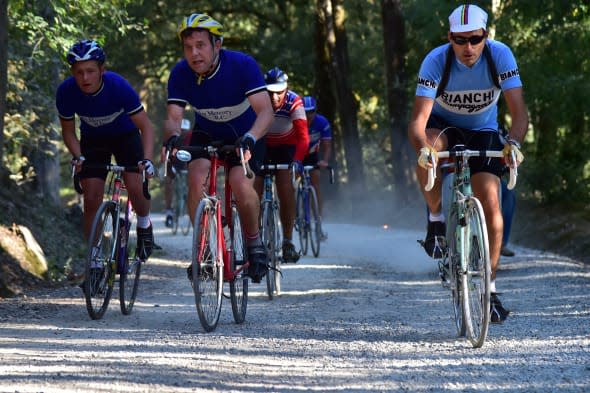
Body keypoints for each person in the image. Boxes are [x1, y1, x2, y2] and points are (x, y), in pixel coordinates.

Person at [407, 4, 528, 323]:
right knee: (429, 149)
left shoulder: (500, 56)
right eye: (460, 40)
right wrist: (424, 150)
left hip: (484, 131)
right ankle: (435, 219)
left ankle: (489, 290)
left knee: (492, 204)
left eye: (475, 39)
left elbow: (519, 113)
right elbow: (418, 122)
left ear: (485, 36)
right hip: (443, 128)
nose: (468, 47)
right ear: (450, 38)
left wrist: (513, 144)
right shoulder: (436, 60)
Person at [163, 13, 274, 283]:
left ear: (217, 45)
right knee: (195, 178)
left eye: (201, 45)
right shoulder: (180, 72)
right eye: (189, 47)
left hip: (246, 133)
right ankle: (206, 250)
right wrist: (173, 139)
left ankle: (254, 244)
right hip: (207, 132)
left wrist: (250, 138)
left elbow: (266, 112)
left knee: (240, 182)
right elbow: (173, 117)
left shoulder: (242, 65)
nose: (194, 53)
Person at [56, 39, 156, 262]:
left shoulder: (118, 87)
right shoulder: (66, 92)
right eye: (79, 72)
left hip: (126, 137)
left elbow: (146, 127)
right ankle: (94, 260)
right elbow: (69, 132)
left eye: (91, 71)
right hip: (93, 140)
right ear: (72, 72)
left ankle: (144, 224)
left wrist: (147, 159)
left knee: (134, 186)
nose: (85, 78)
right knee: (91, 198)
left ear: (102, 70)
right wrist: (78, 155)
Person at [255, 67, 309, 263]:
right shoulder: (257, 98)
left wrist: (298, 160)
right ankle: (255, 239)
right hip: (262, 144)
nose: (275, 97)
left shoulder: (294, 101)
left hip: (286, 147)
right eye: (270, 92)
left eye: (279, 91)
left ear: (286, 89)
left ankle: (287, 241)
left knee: (286, 188)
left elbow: (303, 138)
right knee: (254, 188)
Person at [302, 96, 333, 240]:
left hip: (312, 156)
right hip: (296, 155)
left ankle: (318, 221)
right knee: (292, 184)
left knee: (315, 184)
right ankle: (298, 211)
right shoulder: (295, 121)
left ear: (316, 111)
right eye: (305, 112)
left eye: (311, 111)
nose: (308, 115)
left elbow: (327, 145)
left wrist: (324, 161)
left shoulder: (322, 122)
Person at [162, 119, 191, 228]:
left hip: (187, 166)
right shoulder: (173, 139)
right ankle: (169, 212)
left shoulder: (191, 139)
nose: (183, 133)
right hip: (174, 166)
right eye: (182, 130)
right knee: (168, 182)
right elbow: (166, 156)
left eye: (185, 131)